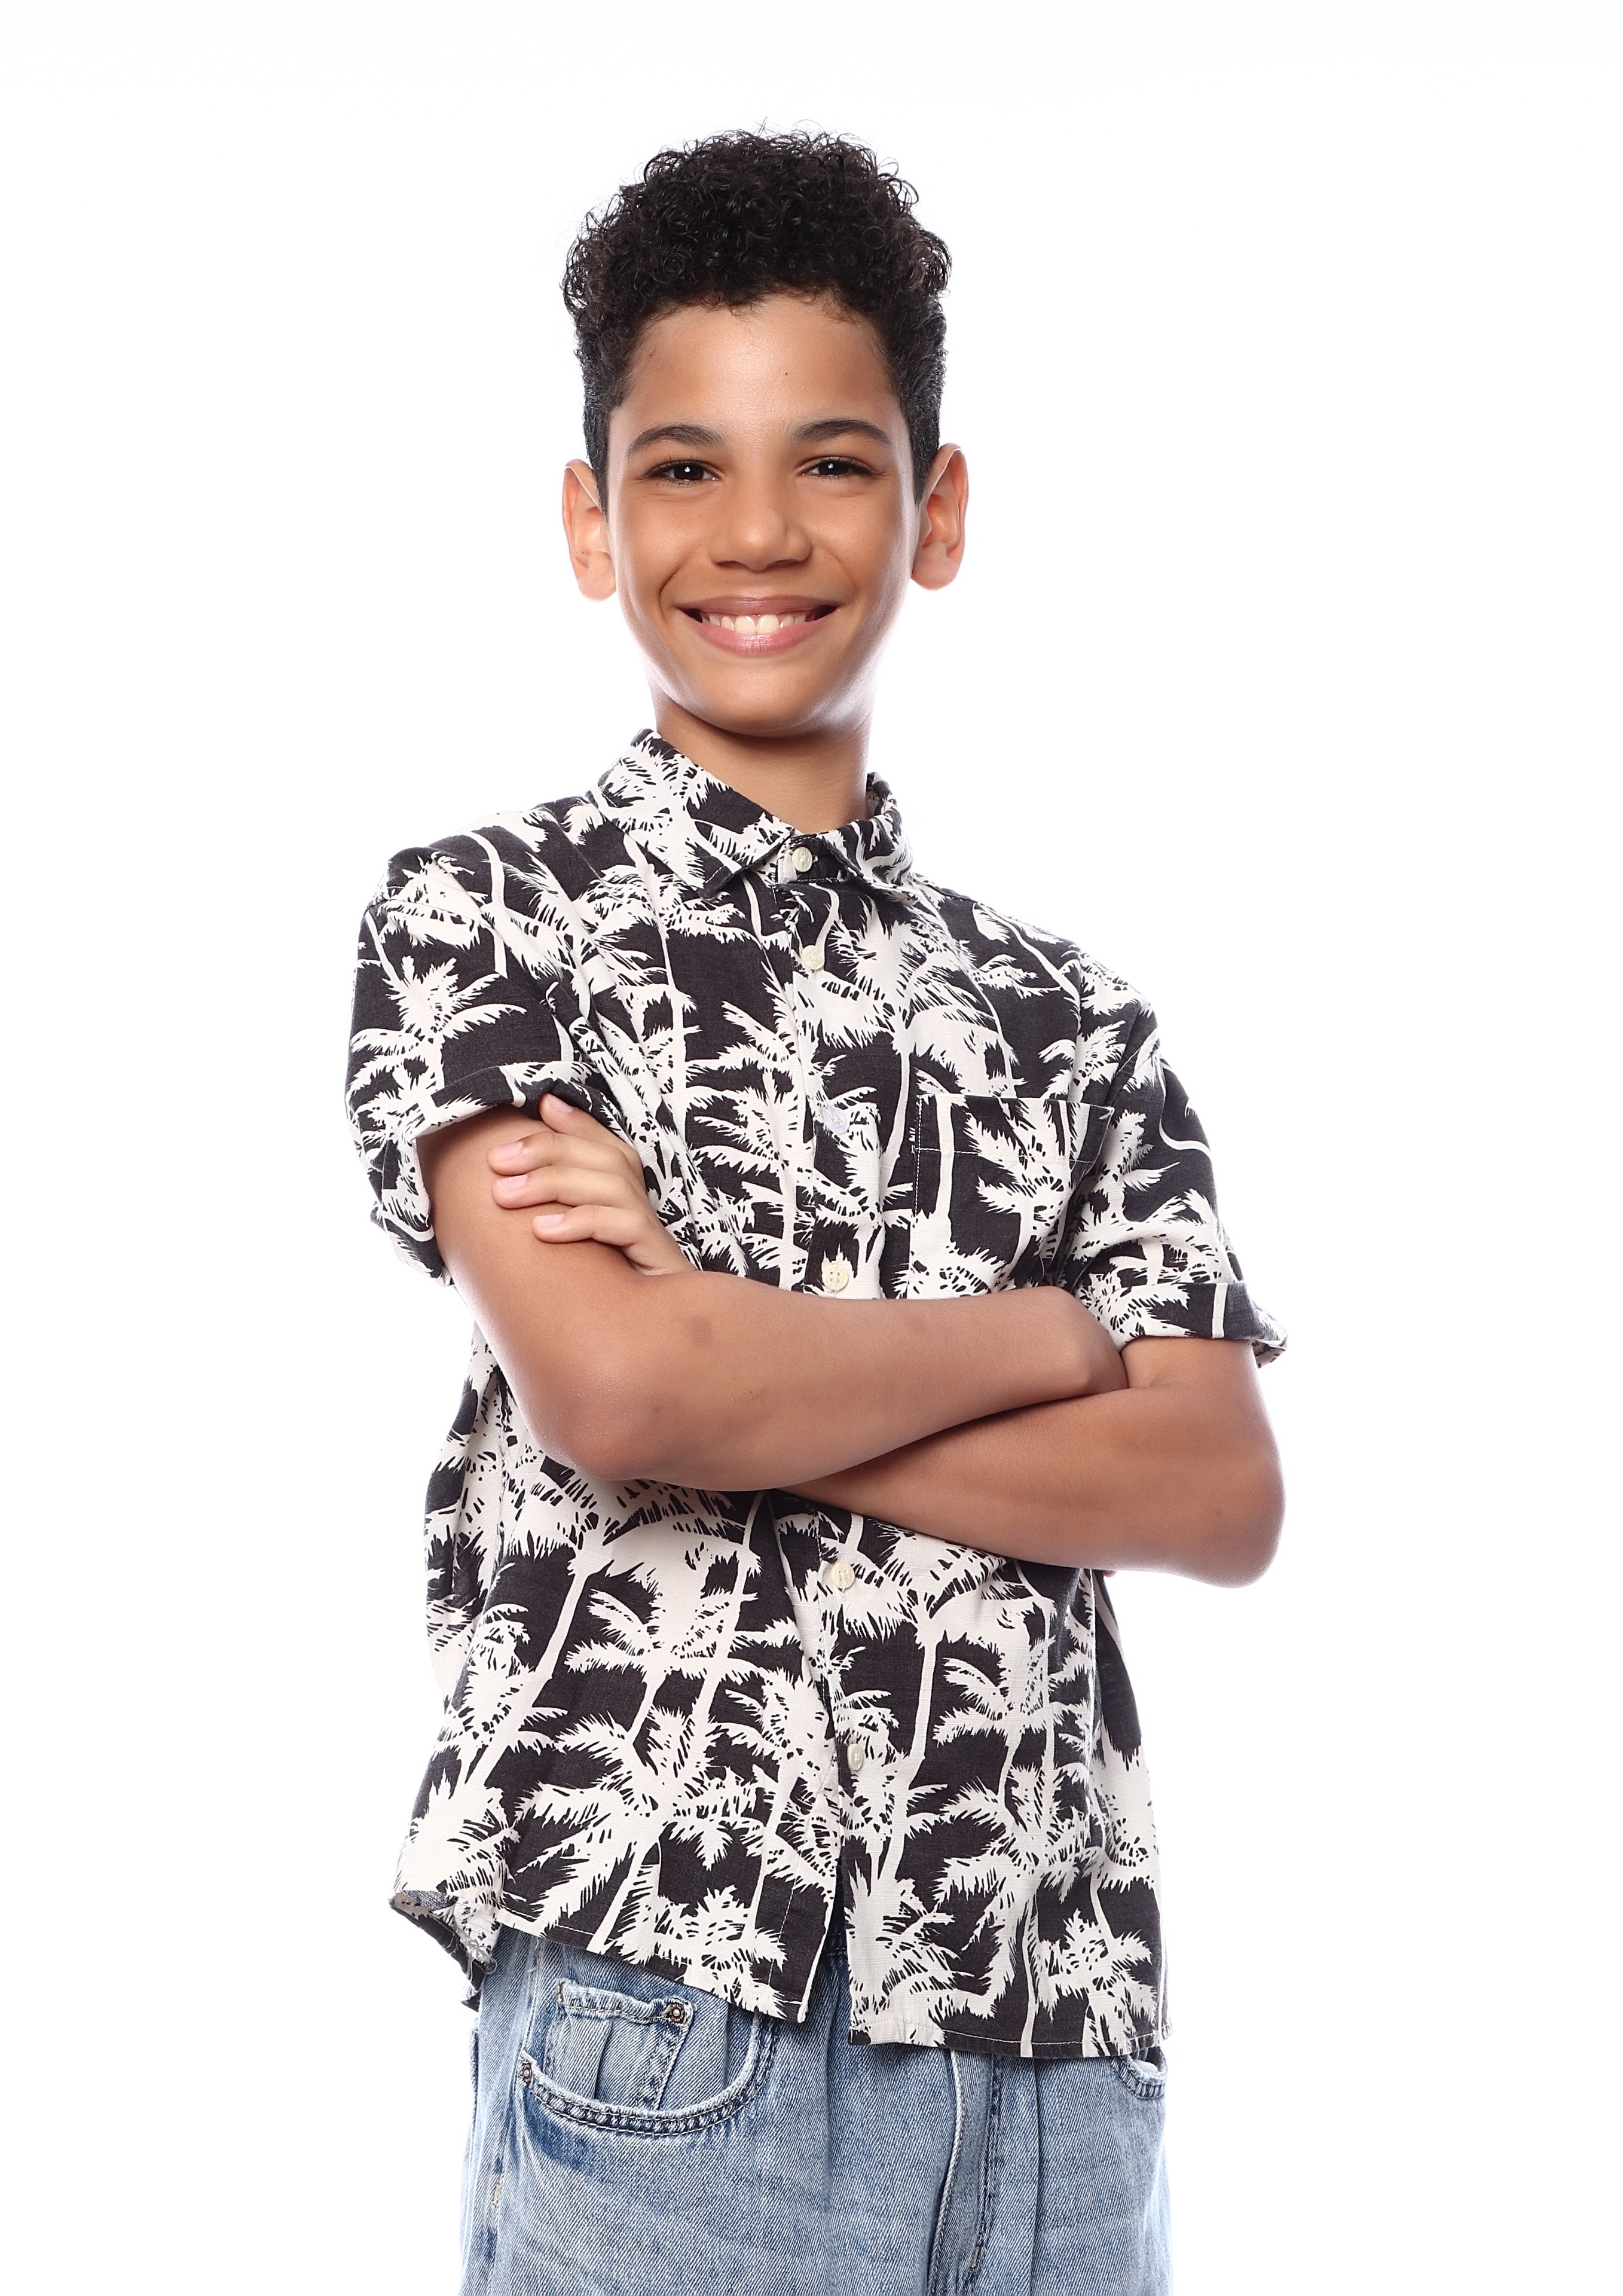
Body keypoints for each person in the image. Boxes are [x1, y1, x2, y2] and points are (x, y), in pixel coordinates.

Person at [346, 129, 1284, 2296]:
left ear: (932, 512)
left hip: (1055, 2036)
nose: (756, 533)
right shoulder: (490, 922)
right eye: (681, 468)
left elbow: (1218, 1487)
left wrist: (730, 1341)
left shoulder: (1068, 1019)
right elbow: (619, 1393)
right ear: (590, 520)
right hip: (680, 1995)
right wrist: (1043, 1340)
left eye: (832, 464)